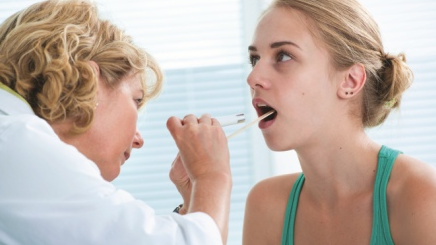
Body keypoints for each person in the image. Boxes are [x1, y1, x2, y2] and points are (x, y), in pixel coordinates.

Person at [0, 0, 232, 244]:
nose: (139, 140)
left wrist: (192, 206)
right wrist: (212, 175)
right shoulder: (18, 143)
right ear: (86, 83)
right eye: (136, 100)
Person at [242, 0, 436, 244]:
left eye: (283, 56)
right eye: (254, 59)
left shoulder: (419, 195)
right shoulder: (266, 205)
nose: (253, 77)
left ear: (351, 82)